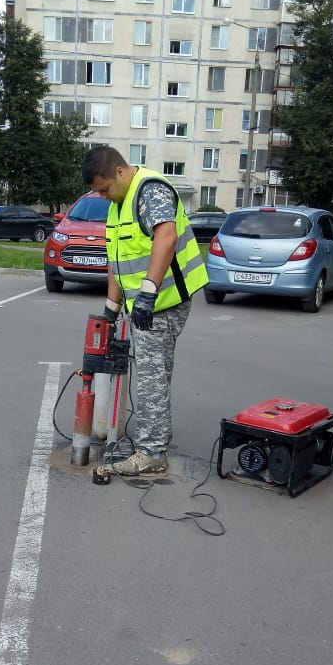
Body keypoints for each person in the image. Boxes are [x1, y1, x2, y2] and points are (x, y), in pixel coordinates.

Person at [81, 145, 208, 475]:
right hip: (148, 304)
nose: (103, 196)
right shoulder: (117, 205)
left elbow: (166, 237)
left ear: (119, 171)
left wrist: (148, 293)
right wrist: (111, 310)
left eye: (105, 189)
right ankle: (154, 443)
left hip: (165, 301)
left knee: (152, 379)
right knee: (156, 374)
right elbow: (117, 260)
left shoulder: (149, 191)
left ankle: (151, 453)